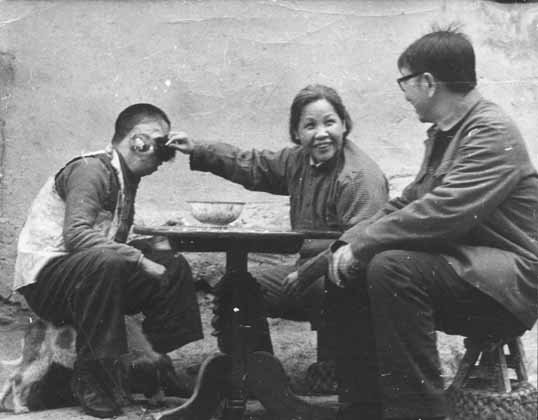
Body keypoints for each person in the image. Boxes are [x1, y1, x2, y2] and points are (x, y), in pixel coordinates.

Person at [310, 27, 538, 420]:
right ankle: (362, 409)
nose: (403, 93)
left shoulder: (490, 131)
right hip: (467, 271)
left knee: (392, 267)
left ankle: (417, 412)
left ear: (428, 82)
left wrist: (363, 246)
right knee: (350, 271)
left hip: (510, 284)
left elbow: (443, 213)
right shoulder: (446, 134)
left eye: (405, 81)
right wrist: (342, 248)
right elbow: (406, 204)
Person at [167, 84, 388, 359]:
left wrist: (307, 273)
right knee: (237, 289)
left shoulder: (357, 177)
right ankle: (256, 371)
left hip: (349, 279)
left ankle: (335, 369)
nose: (321, 133)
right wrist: (198, 149)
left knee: (336, 296)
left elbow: (360, 244)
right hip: (306, 271)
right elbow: (253, 165)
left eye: (329, 122)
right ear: (297, 133)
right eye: (310, 125)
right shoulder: (299, 161)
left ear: (344, 124)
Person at [13, 104, 204, 418]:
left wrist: (150, 246)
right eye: (160, 142)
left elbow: (107, 239)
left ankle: (149, 366)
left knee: (173, 264)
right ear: (137, 141)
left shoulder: (124, 177)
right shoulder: (91, 170)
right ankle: (90, 375)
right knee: (108, 262)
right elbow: (77, 236)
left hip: (88, 273)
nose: (164, 153)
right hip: (47, 280)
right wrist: (139, 259)